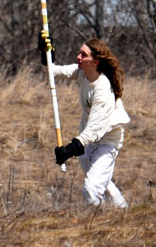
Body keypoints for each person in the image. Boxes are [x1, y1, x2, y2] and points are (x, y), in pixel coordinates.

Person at [50, 39, 130, 207]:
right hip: (87, 142)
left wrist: (68, 150)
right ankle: (124, 213)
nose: (78, 57)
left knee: (91, 188)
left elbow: (94, 129)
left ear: (95, 62)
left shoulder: (103, 90)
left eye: (83, 55)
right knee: (105, 185)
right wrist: (47, 54)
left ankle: (95, 224)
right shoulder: (82, 73)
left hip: (106, 142)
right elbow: (52, 72)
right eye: (80, 53)